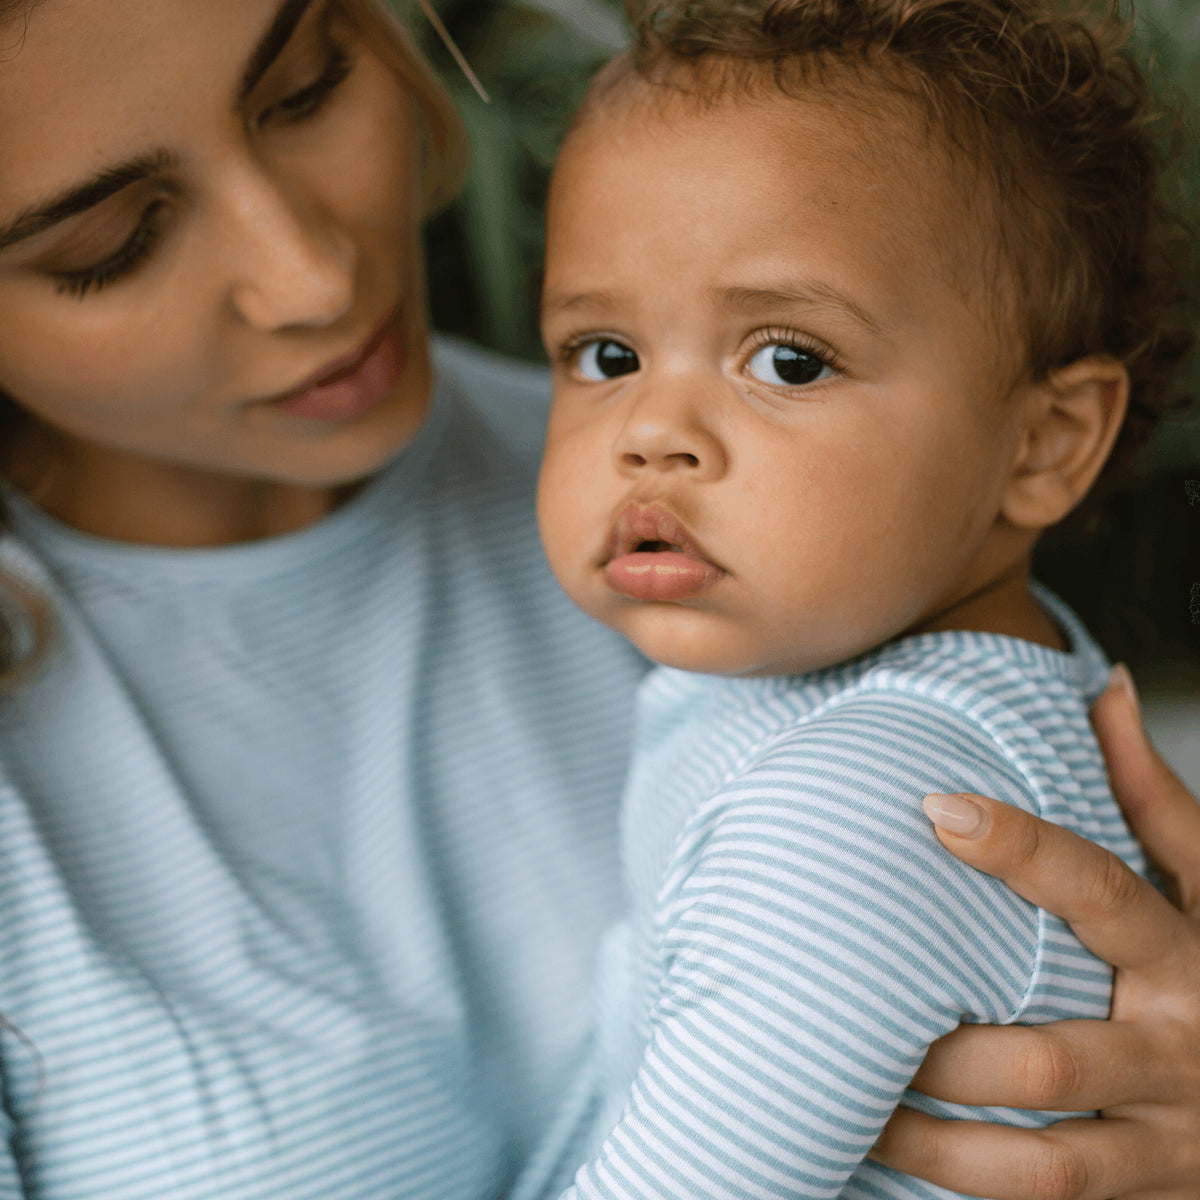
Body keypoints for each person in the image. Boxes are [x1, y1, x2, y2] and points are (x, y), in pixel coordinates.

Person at [0, 0, 1194, 1196]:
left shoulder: (798, 663)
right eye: (108, 240)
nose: (311, 280)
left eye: (303, 89)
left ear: (1046, 443)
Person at [521, 1, 1199, 1196]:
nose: (651, 433)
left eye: (788, 358)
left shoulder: (852, 812)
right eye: (604, 355)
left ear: (1044, 442)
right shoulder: (975, 681)